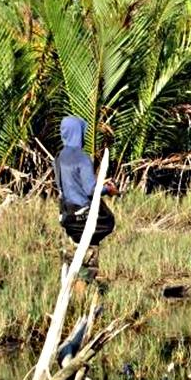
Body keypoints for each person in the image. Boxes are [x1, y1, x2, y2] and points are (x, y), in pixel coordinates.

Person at [55, 115, 118, 276]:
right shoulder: (82, 158)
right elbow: (91, 190)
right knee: (108, 221)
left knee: (76, 252)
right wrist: (107, 189)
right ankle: (88, 275)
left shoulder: (59, 157)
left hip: (67, 214)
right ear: (78, 133)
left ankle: (78, 274)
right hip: (83, 215)